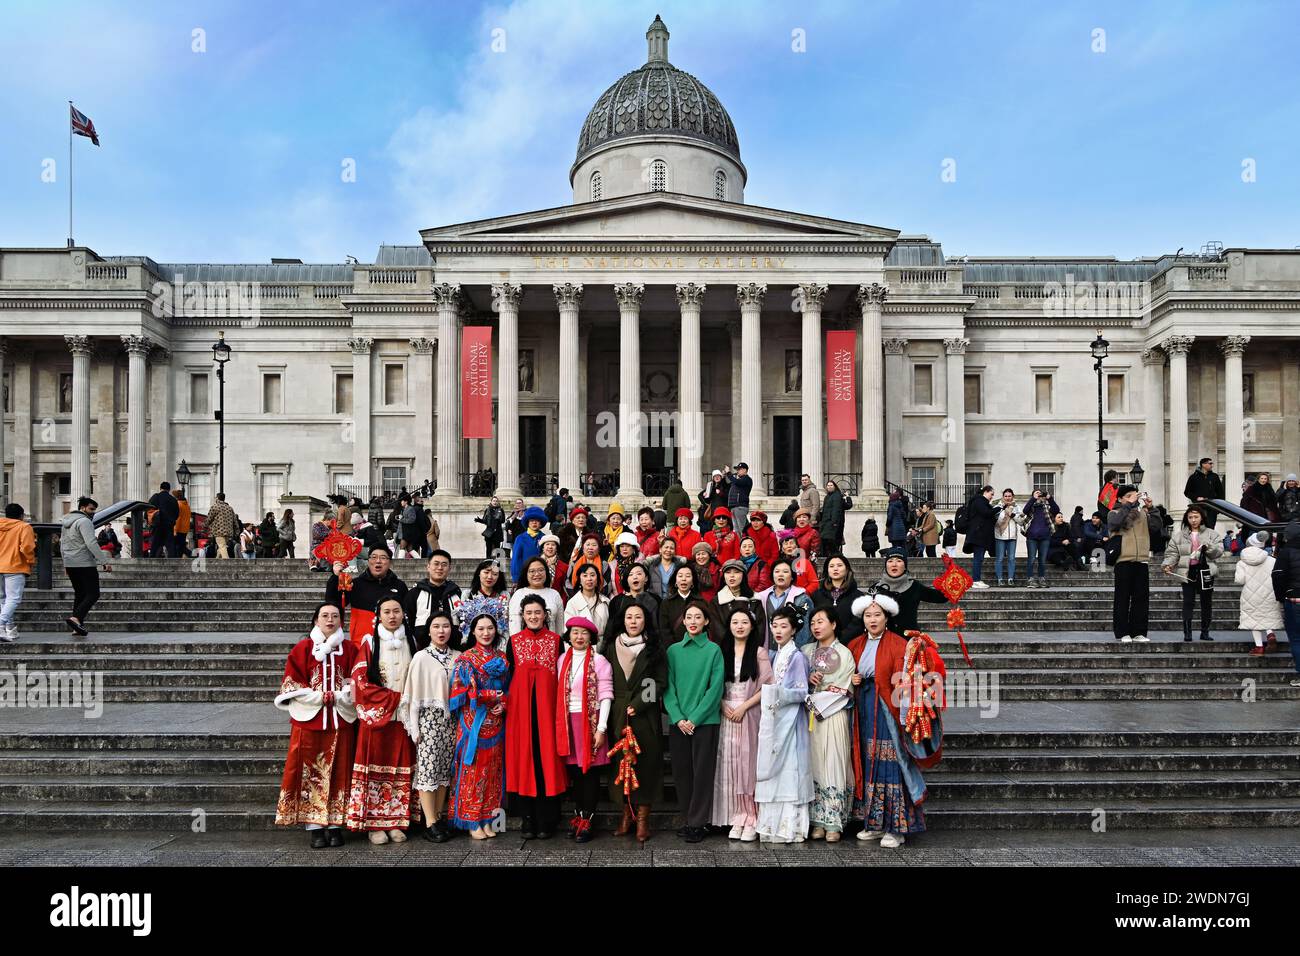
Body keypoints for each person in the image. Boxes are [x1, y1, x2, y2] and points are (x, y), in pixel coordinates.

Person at [847, 591, 945, 849]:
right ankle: (874, 822)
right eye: (868, 615)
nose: (872, 619)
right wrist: (853, 679)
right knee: (869, 763)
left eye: (877, 615)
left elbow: (906, 681)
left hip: (888, 707)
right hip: (864, 706)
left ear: (887, 617)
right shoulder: (855, 644)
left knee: (892, 762)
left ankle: (896, 826)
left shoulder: (898, 644)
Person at [273, 603, 358, 848]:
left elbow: (356, 679)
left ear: (341, 620)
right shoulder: (304, 648)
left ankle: (335, 825)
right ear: (316, 620)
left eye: (335, 616)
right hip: (309, 720)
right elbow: (292, 684)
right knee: (309, 773)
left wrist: (344, 693)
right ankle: (315, 828)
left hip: (341, 719)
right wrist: (321, 696)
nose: (330, 620)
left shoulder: (350, 648)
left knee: (340, 771)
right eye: (325, 616)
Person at [346, 597, 420, 844]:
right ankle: (374, 824)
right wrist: (392, 698)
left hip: (404, 718)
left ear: (403, 614)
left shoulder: (413, 641)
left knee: (401, 766)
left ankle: (397, 821)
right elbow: (358, 682)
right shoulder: (369, 642)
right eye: (387, 612)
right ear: (379, 615)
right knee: (375, 768)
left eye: (396, 611)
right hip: (379, 716)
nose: (392, 616)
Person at [505, 593, 568, 841]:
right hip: (520, 712)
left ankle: (547, 819)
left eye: (537, 612)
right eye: (529, 613)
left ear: (545, 615)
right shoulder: (513, 642)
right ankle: (527, 819)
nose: (533, 616)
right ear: (522, 616)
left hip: (548, 711)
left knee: (546, 762)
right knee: (524, 760)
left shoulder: (556, 641)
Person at [603, 601, 666, 842]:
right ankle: (625, 816)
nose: (633, 621)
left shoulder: (653, 647)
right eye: (629, 617)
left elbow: (659, 682)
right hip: (617, 712)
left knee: (646, 765)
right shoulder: (610, 646)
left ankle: (642, 820)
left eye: (638, 617)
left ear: (645, 621)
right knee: (620, 766)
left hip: (645, 715)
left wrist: (639, 704)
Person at [665, 599, 725, 844]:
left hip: (705, 722)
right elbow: (668, 688)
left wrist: (695, 718)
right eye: (688, 617)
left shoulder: (713, 650)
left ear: (706, 621)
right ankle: (688, 818)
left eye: (698, 617)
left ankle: (698, 822)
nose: (692, 622)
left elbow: (715, 689)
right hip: (678, 723)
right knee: (682, 773)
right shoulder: (673, 651)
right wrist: (679, 718)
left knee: (702, 773)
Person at [712, 606, 773, 841]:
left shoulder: (758, 652)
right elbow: (712, 682)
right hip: (725, 711)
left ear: (752, 626)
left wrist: (744, 706)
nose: (739, 626)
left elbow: (768, 685)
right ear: (729, 626)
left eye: (744, 622)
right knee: (728, 764)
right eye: (735, 622)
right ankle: (734, 817)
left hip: (748, 713)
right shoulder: (720, 651)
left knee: (746, 765)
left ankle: (751, 817)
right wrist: (721, 703)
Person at [400, 608, 461, 843]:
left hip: (452, 720)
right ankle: (429, 822)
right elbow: (412, 697)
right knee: (428, 770)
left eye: (445, 626)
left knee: (445, 770)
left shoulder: (458, 656)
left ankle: (438, 815)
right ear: (429, 631)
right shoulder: (421, 657)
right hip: (429, 720)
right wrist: (414, 729)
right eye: (436, 626)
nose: (441, 631)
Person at [448, 613, 511, 838]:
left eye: (490, 628)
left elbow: (509, 688)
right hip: (473, 720)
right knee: (473, 771)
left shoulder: (503, 658)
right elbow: (459, 691)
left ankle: (490, 820)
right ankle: (472, 822)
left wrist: (503, 703)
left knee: (494, 772)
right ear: (472, 631)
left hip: (496, 721)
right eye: (481, 629)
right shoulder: (465, 659)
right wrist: (489, 695)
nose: (486, 633)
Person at [755, 604, 813, 844]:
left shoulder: (797, 656)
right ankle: (771, 825)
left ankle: (790, 827)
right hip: (774, 718)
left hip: (791, 723)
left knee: (789, 771)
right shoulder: (774, 654)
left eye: (784, 626)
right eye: (775, 625)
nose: (778, 630)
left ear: (793, 630)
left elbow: (801, 691)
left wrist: (774, 692)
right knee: (773, 771)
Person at [556, 616, 614, 843]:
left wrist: (601, 728)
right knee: (575, 774)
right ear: (568, 636)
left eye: (584, 633)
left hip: (590, 721)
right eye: (575, 633)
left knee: (589, 774)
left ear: (591, 637)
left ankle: (588, 819)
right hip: (568, 721)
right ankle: (577, 816)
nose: (579, 637)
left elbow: (606, 695)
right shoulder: (562, 659)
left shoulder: (600, 661)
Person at [803, 606, 856, 842]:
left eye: (821, 621)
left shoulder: (845, 654)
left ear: (833, 625)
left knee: (833, 762)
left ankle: (833, 820)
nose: (816, 626)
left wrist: (819, 701)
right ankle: (816, 819)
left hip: (833, 714)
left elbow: (845, 688)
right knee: (812, 764)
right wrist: (806, 680)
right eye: (812, 622)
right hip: (807, 716)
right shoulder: (804, 652)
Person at [1161, 503, 1225, 643]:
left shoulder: (1211, 534)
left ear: (1202, 518)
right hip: (1187, 571)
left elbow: (1218, 552)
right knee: (1188, 602)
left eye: (1196, 517)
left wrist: (1209, 547)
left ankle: (1205, 632)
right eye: (1190, 517)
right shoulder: (1179, 536)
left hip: (1206, 570)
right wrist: (1167, 564)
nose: (1193, 520)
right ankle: (1187, 632)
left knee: (1206, 602)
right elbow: (1172, 553)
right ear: (1186, 519)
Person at [1109, 486, 1163, 643]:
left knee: (1141, 598)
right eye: (1128, 496)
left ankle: (1138, 632)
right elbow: (1117, 524)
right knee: (1122, 598)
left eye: (1134, 495)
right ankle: (1122, 632)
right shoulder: (1114, 513)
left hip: (1142, 560)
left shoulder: (1142, 513)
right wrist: (1128, 506)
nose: (1133, 498)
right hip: (1123, 560)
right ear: (1120, 499)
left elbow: (1156, 526)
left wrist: (1152, 508)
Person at [326, 545, 409, 647]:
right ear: (368, 561)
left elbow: (406, 614)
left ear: (390, 563)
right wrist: (335, 577)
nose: (378, 561)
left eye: (383, 558)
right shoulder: (355, 584)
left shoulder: (400, 586)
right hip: (361, 643)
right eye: (373, 557)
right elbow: (333, 603)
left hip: (392, 643)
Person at [59, 496, 104, 636]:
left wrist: (65, 563)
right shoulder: (84, 521)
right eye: (91, 509)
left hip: (70, 562)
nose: (93, 512)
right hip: (84, 562)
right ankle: (76, 618)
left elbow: (62, 544)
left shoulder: (65, 522)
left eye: (94, 510)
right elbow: (91, 542)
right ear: (83, 508)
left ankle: (77, 626)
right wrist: (104, 561)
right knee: (93, 593)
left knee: (80, 594)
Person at [874, 548, 948, 633]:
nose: (894, 564)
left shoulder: (914, 586)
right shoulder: (876, 588)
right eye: (890, 561)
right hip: (883, 641)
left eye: (899, 561)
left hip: (910, 641)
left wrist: (952, 574)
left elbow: (941, 597)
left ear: (905, 566)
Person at [1236, 532, 1282, 656]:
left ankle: (1259, 647)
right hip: (1269, 593)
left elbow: (1239, 580)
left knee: (1254, 620)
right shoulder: (1272, 560)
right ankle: (1270, 633)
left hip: (1250, 595)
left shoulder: (1242, 562)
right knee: (1266, 615)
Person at [404, 550, 464, 647]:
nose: (440, 568)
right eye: (436, 564)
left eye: (444, 565)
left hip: (453, 648)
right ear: (428, 566)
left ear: (449, 568)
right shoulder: (415, 593)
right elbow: (408, 620)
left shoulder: (457, 593)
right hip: (422, 648)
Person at [757, 557, 814, 649]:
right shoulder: (761, 597)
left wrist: (796, 653)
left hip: (791, 652)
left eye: (785, 571)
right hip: (766, 651)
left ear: (792, 576)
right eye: (777, 571)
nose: (780, 574)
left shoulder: (802, 599)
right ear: (772, 575)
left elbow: (805, 630)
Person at [1269, 521, 1300, 687]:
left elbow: (1278, 575)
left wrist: (1281, 596)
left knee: (1296, 639)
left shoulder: (1286, 552)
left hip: (1294, 600)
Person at [0, 503, 36, 643]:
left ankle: (9, 629)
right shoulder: (23, 527)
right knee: (14, 598)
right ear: (21, 516)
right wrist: (30, 561)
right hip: (15, 566)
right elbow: (27, 547)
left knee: (3, 599)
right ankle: (1, 625)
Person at [809, 555, 865, 643]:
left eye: (839, 565)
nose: (835, 569)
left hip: (849, 644)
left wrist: (839, 640)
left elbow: (857, 623)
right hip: (822, 643)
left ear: (847, 569)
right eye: (831, 566)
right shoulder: (817, 595)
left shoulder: (858, 596)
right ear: (827, 570)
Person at [456, 559, 509, 650]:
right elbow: (465, 622)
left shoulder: (504, 595)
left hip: (498, 644)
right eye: (486, 572)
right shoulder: (467, 594)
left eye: (495, 574)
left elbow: (505, 622)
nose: (490, 577)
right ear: (479, 573)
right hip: (473, 643)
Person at [507, 556, 565, 638]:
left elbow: (560, 626)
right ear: (526, 573)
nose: (537, 574)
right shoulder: (518, 594)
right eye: (532, 571)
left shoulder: (554, 594)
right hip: (524, 645)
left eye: (541, 570)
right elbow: (514, 626)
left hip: (551, 645)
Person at [606, 563, 661, 647]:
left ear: (646, 578)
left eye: (639, 574)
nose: (635, 577)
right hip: (622, 647)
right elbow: (611, 629)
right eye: (630, 575)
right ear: (627, 581)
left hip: (649, 647)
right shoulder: (617, 601)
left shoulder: (655, 600)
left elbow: (659, 628)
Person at [563, 563, 611, 645]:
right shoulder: (572, 603)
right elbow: (568, 631)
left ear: (597, 579)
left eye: (592, 575)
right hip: (581, 646)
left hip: (604, 647)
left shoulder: (605, 601)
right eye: (585, 576)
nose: (589, 579)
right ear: (580, 580)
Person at [1022, 489, 1060, 587]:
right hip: (1032, 537)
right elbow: (1025, 510)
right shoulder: (1031, 507)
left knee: (1042, 560)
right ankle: (1030, 579)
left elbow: (1056, 510)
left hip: (1045, 537)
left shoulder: (1047, 507)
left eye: (1040, 495)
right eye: (1037, 494)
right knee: (1031, 558)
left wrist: (1049, 498)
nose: (1039, 497)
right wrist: (1033, 499)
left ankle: (1041, 578)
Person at [962, 486, 997, 588]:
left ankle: (976, 580)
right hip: (978, 535)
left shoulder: (979, 501)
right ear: (986, 492)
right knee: (978, 558)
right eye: (991, 494)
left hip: (979, 535)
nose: (992, 497)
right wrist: (998, 508)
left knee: (979, 558)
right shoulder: (979, 501)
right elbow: (986, 513)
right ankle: (976, 580)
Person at [509, 505, 550, 584]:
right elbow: (516, 559)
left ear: (541, 523)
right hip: (525, 576)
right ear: (528, 523)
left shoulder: (544, 538)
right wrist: (516, 578)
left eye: (537, 521)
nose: (534, 522)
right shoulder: (520, 538)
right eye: (531, 520)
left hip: (540, 576)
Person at [1185, 457, 1226, 528]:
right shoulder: (1193, 477)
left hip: (1211, 508)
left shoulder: (1214, 477)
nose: (1212, 465)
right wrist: (1196, 498)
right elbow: (1187, 492)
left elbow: (1220, 493)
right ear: (1203, 464)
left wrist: (1218, 508)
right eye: (1210, 463)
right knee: (1199, 528)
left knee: (1210, 528)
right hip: (1198, 508)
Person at [992, 489, 1021, 587]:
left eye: (1009, 496)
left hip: (1012, 536)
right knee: (999, 558)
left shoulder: (1017, 507)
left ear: (1012, 496)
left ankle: (1010, 579)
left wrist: (1012, 515)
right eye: (1006, 496)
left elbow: (1021, 521)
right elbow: (996, 522)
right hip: (1000, 535)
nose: (1008, 498)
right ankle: (1000, 579)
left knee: (1011, 558)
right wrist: (1005, 512)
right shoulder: (998, 507)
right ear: (1003, 497)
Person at [817, 481, 851, 557]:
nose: (829, 487)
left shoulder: (837, 496)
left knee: (830, 540)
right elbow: (847, 506)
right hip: (826, 522)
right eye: (828, 485)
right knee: (826, 539)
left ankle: (836, 554)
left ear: (834, 486)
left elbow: (836, 509)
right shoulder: (828, 496)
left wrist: (834, 522)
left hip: (831, 522)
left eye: (831, 485)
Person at [147, 481, 178, 558]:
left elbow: (148, 509)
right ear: (169, 489)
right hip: (169, 525)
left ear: (160, 488)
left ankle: (151, 560)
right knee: (170, 546)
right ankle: (172, 562)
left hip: (157, 524)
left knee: (155, 544)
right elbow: (177, 514)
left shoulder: (155, 497)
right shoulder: (173, 499)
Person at [206, 493, 237, 559]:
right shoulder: (230, 508)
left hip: (219, 531)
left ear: (217, 498)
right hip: (229, 531)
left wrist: (205, 526)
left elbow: (209, 518)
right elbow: (235, 521)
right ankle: (217, 560)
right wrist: (237, 530)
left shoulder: (215, 507)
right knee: (222, 547)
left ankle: (226, 562)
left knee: (222, 546)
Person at [728, 462, 754, 530]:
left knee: (741, 528)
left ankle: (744, 540)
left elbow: (737, 482)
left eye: (739, 469)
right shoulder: (739, 480)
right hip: (734, 507)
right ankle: (740, 540)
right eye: (737, 469)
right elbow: (730, 484)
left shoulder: (747, 479)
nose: (737, 471)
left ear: (745, 470)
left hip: (740, 506)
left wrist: (729, 474)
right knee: (736, 529)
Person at [171, 489, 192, 557]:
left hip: (179, 528)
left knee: (178, 546)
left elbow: (177, 519)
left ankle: (191, 554)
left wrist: (175, 530)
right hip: (185, 529)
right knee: (181, 545)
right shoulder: (187, 506)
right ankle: (186, 556)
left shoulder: (178, 505)